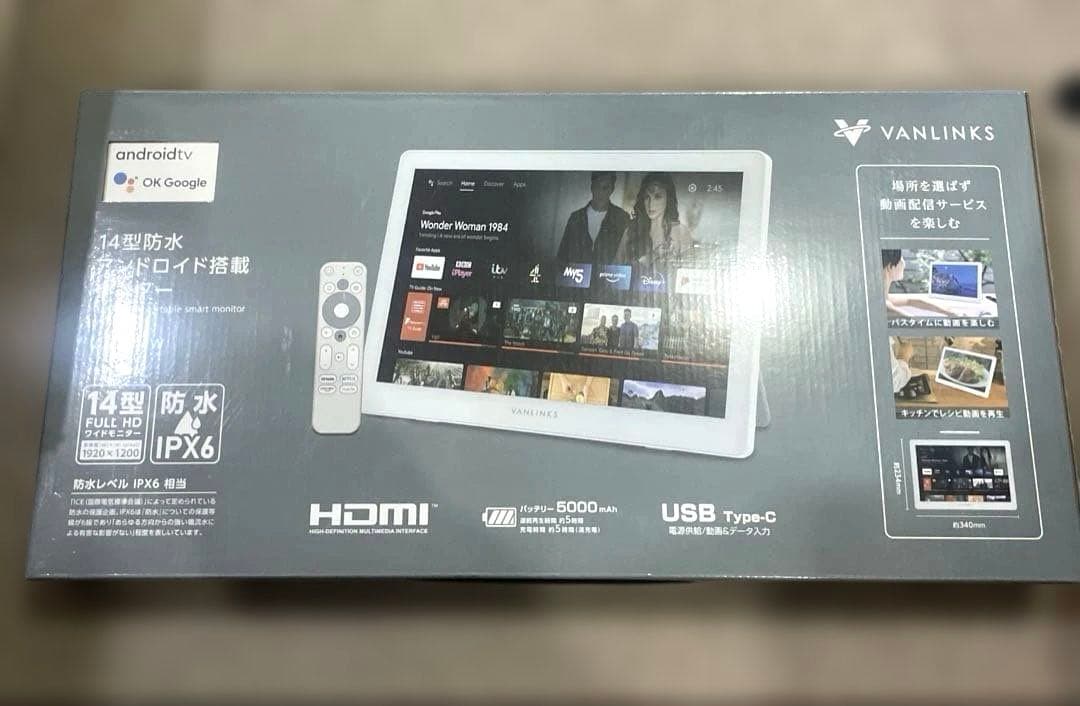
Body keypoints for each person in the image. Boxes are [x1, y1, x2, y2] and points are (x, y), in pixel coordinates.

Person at [615, 172, 695, 267]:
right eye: (647, 197)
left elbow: (688, 271)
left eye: (657, 197)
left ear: (668, 198)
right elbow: (615, 269)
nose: (651, 204)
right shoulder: (631, 231)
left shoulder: (681, 232)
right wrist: (653, 255)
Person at [556, 172, 631, 265]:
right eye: (597, 186)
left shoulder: (622, 218)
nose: (600, 192)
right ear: (592, 187)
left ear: (612, 189)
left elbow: (626, 259)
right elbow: (562, 257)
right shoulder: (576, 218)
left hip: (608, 275)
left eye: (605, 188)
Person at [882, 250, 961, 318]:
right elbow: (916, 323)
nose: (904, 263)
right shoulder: (885, 307)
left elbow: (910, 301)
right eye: (901, 258)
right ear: (890, 267)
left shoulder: (882, 297)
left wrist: (949, 312)